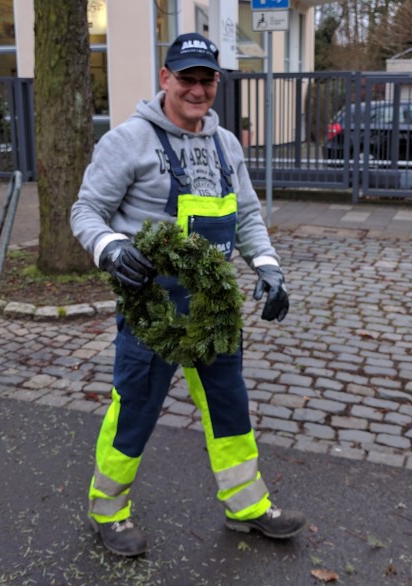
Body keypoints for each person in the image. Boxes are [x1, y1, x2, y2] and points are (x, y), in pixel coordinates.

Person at [70, 32, 306, 557]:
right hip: (152, 307)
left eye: (207, 80)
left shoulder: (227, 145)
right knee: (134, 408)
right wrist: (109, 247)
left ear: (216, 83)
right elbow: (85, 211)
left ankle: (246, 508)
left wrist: (269, 269)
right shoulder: (126, 141)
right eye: (187, 79)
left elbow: (245, 215)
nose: (197, 90)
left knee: (229, 405)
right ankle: (108, 512)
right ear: (165, 79)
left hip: (214, 309)